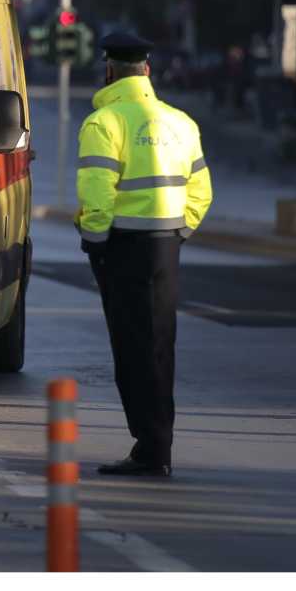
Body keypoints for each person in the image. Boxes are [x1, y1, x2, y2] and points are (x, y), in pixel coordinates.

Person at [75, 30, 213, 477]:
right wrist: (179, 231)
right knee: (160, 346)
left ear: (109, 70)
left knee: (131, 349)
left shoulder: (104, 124)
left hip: (122, 250)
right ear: (148, 71)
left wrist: (95, 241)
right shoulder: (181, 123)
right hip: (166, 248)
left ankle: (150, 448)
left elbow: (97, 195)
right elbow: (202, 193)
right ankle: (159, 445)